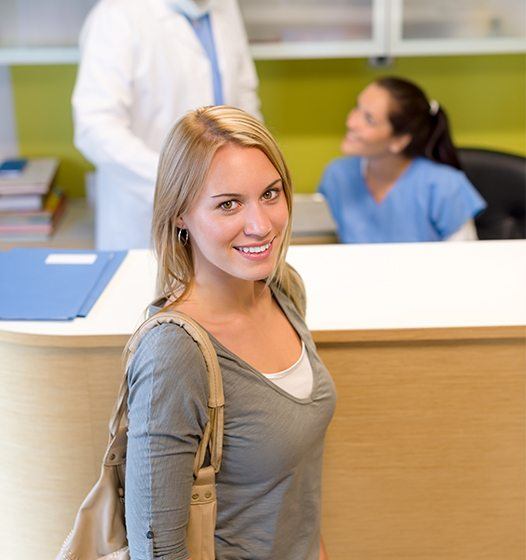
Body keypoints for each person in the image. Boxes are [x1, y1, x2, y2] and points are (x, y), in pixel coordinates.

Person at [125, 105, 336, 559]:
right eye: (228, 204)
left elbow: (297, 490)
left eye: (270, 193)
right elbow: (157, 549)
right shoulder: (173, 353)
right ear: (180, 214)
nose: (261, 225)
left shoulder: (282, 288)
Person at [72, 0, 261, 250]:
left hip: (225, 208)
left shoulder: (224, 6)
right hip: (145, 217)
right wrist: (177, 183)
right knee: (153, 285)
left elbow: (245, 96)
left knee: (221, 283)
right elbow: (94, 126)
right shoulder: (116, 15)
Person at [317, 76, 486, 243]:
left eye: (369, 119)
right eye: (357, 107)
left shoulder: (444, 186)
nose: (351, 122)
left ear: (400, 140)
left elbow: (465, 261)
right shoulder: (337, 176)